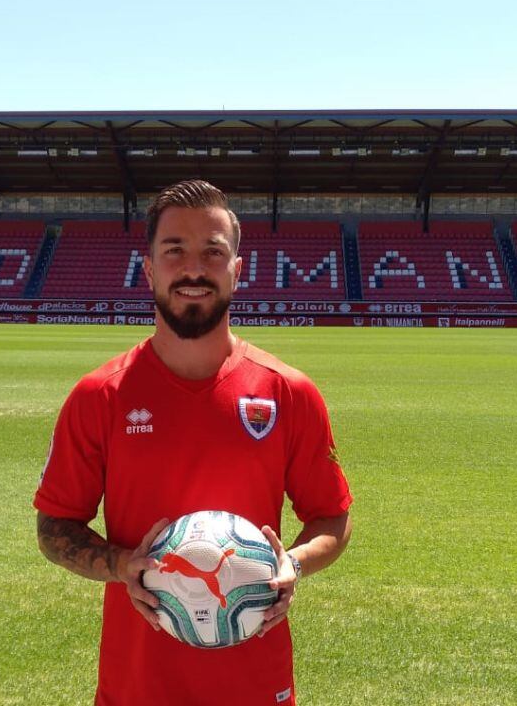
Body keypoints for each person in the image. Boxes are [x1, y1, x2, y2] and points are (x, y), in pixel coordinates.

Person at [34, 180, 353, 706]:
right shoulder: (99, 396)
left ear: (237, 268)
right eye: (174, 250)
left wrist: (292, 563)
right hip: (137, 687)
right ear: (149, 267)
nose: (193, 268)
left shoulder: (288, 393)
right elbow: (54, 527)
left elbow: (332, 517)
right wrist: (120, 566)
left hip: (255, 685)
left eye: (213, 251)